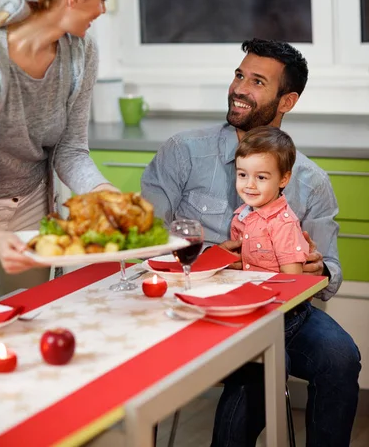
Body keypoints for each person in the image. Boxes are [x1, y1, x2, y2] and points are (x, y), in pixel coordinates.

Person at [141, 38, 361, 447]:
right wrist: (212, 258)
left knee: (340, 358)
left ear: (286, 101)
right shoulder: (183, 152)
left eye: (258, 81)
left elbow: (332, 273)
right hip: (196, 307)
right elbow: (146, 242)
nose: (240, 88)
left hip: (281, 311)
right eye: (240, 74)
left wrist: (318, 269)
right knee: (256, 368)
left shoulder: (311, 181)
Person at [0, 0, 119, 296]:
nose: (102, 11)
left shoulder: (81, 52)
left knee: (32, 312)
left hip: (34, 201)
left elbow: (71, 149)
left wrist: (102, 192)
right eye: (102, 0)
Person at [233, 126, 309, 274]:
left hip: (277, 296)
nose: (249, 185)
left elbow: (292, 279)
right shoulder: (240, 217)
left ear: (283, 179)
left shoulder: (284, 225)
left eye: (261, 177)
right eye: (242, 175)